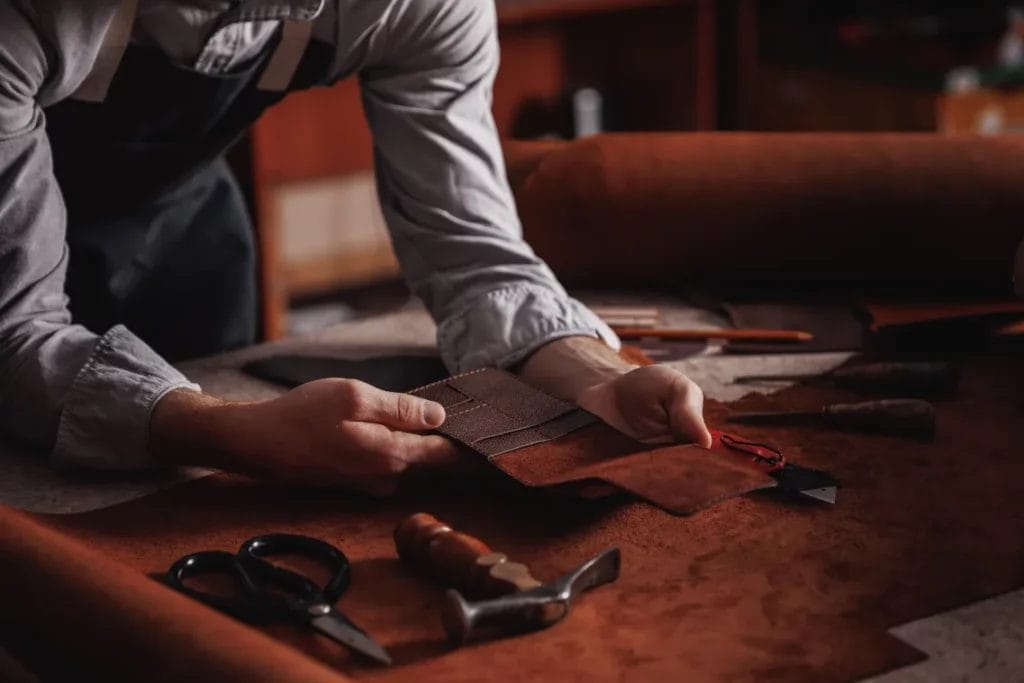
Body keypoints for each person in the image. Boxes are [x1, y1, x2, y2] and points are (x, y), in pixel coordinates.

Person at [0, 0, 711, 493]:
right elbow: (14, 332)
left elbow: (472, 252)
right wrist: (228, 434)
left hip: (178, 240)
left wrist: (590, 373)